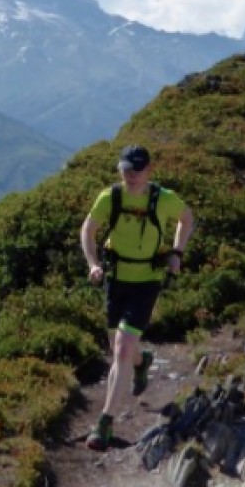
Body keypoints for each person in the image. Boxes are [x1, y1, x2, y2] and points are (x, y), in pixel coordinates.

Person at [80, 144, 194, 451]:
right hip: (116, 279)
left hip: (147, 280)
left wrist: (177, 253)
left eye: (137, 170)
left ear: (149, 171)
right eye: (126, 170)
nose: (130, 176)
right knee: (119, 348)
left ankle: (104, 423)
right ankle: (142, 362)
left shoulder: (163, 199)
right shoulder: (111, 197)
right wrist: (93, 264)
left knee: (121, 348)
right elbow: (88, 230)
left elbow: (187, 218)